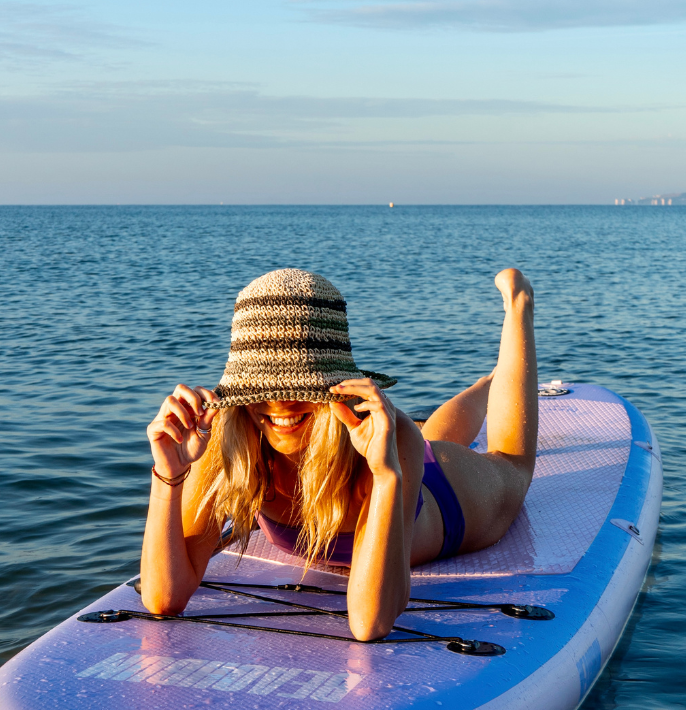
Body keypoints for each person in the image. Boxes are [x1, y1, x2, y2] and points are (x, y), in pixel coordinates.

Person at [141, 266, 537, 641]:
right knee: (428, 435)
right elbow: (163, 599)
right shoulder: (227, 438)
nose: (279, 403)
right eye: (262, 387)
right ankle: (486, 384)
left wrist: (385, 476)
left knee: (510, 461)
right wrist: (169, 475)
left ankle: (518, 310)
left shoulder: (391, 438)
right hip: (401, 457)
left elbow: (370, 623)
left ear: (331, 383)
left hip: (448, 505)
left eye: (301, 384)